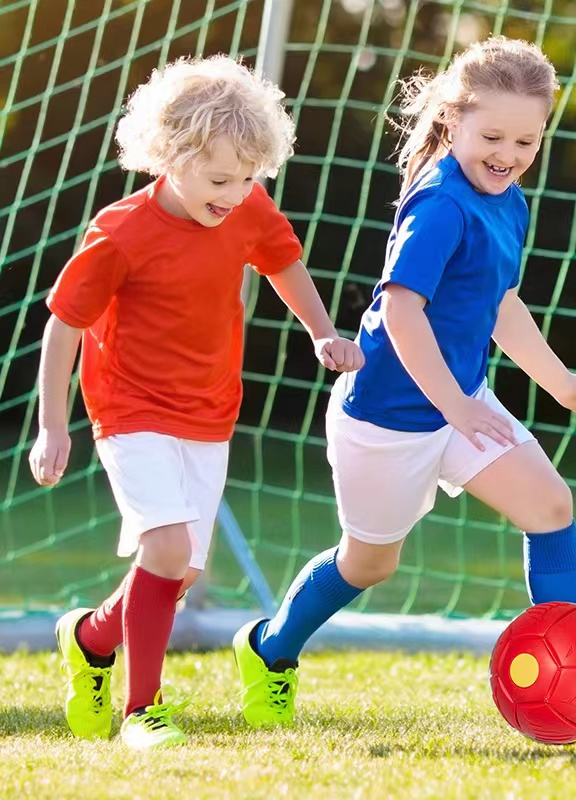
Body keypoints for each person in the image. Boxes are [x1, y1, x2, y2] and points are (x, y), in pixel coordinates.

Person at [232, 37, 576, 730]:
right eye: (491, 135)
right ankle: (269, 649)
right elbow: (402, 312)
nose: (508, 153)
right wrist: (455, 406)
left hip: (460, 405)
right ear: (453, 121)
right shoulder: (439, 202)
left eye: (526, 139)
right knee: (369, 564)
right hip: (388, 420)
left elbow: (501, 303)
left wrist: (558, 383)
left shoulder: (509, 200)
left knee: (552, 507)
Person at [28, 55, 364, 751]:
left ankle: (90, 639)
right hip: (129, 409)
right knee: (167, 546)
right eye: (220, 179)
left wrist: (323, 331)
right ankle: (141, 713)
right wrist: (52, 427)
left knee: (177, 571)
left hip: (210, 412)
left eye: (248, 178)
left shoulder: (247, 206)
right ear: (171, 157)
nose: (237, 193)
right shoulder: (120, 234)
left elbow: (281, 261)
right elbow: (63, 325)